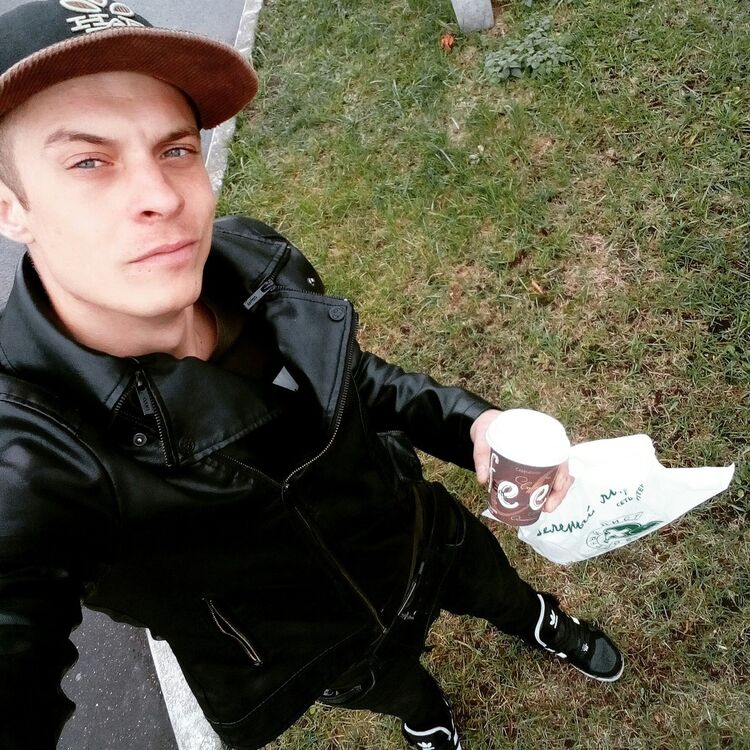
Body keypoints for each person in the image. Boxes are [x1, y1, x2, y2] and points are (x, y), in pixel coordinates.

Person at [0, 2, 623, 749]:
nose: (162, 196)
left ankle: (542, 622)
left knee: (499, 591)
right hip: (324, 646)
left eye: (175, 149)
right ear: (10, 206)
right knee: (398, 686)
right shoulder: (32, 458)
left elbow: (355, 383)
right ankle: (424, 715)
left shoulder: (252, 264)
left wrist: (473, 424)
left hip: (419, 530)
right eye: (88, 161)